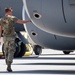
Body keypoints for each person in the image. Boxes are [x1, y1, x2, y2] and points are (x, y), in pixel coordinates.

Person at [0, 7, 31, 72]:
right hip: (11, 37)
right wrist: (29, 21)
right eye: (11, 11)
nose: (12, 12)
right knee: (11, 50)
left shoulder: (2, 20)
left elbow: (0, 29)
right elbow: (22, 22)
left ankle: (7, 61)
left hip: (5, 37)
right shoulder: (12, 18)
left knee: (6, 50)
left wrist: (0, 38)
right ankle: (9, 64)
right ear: (9, 11)